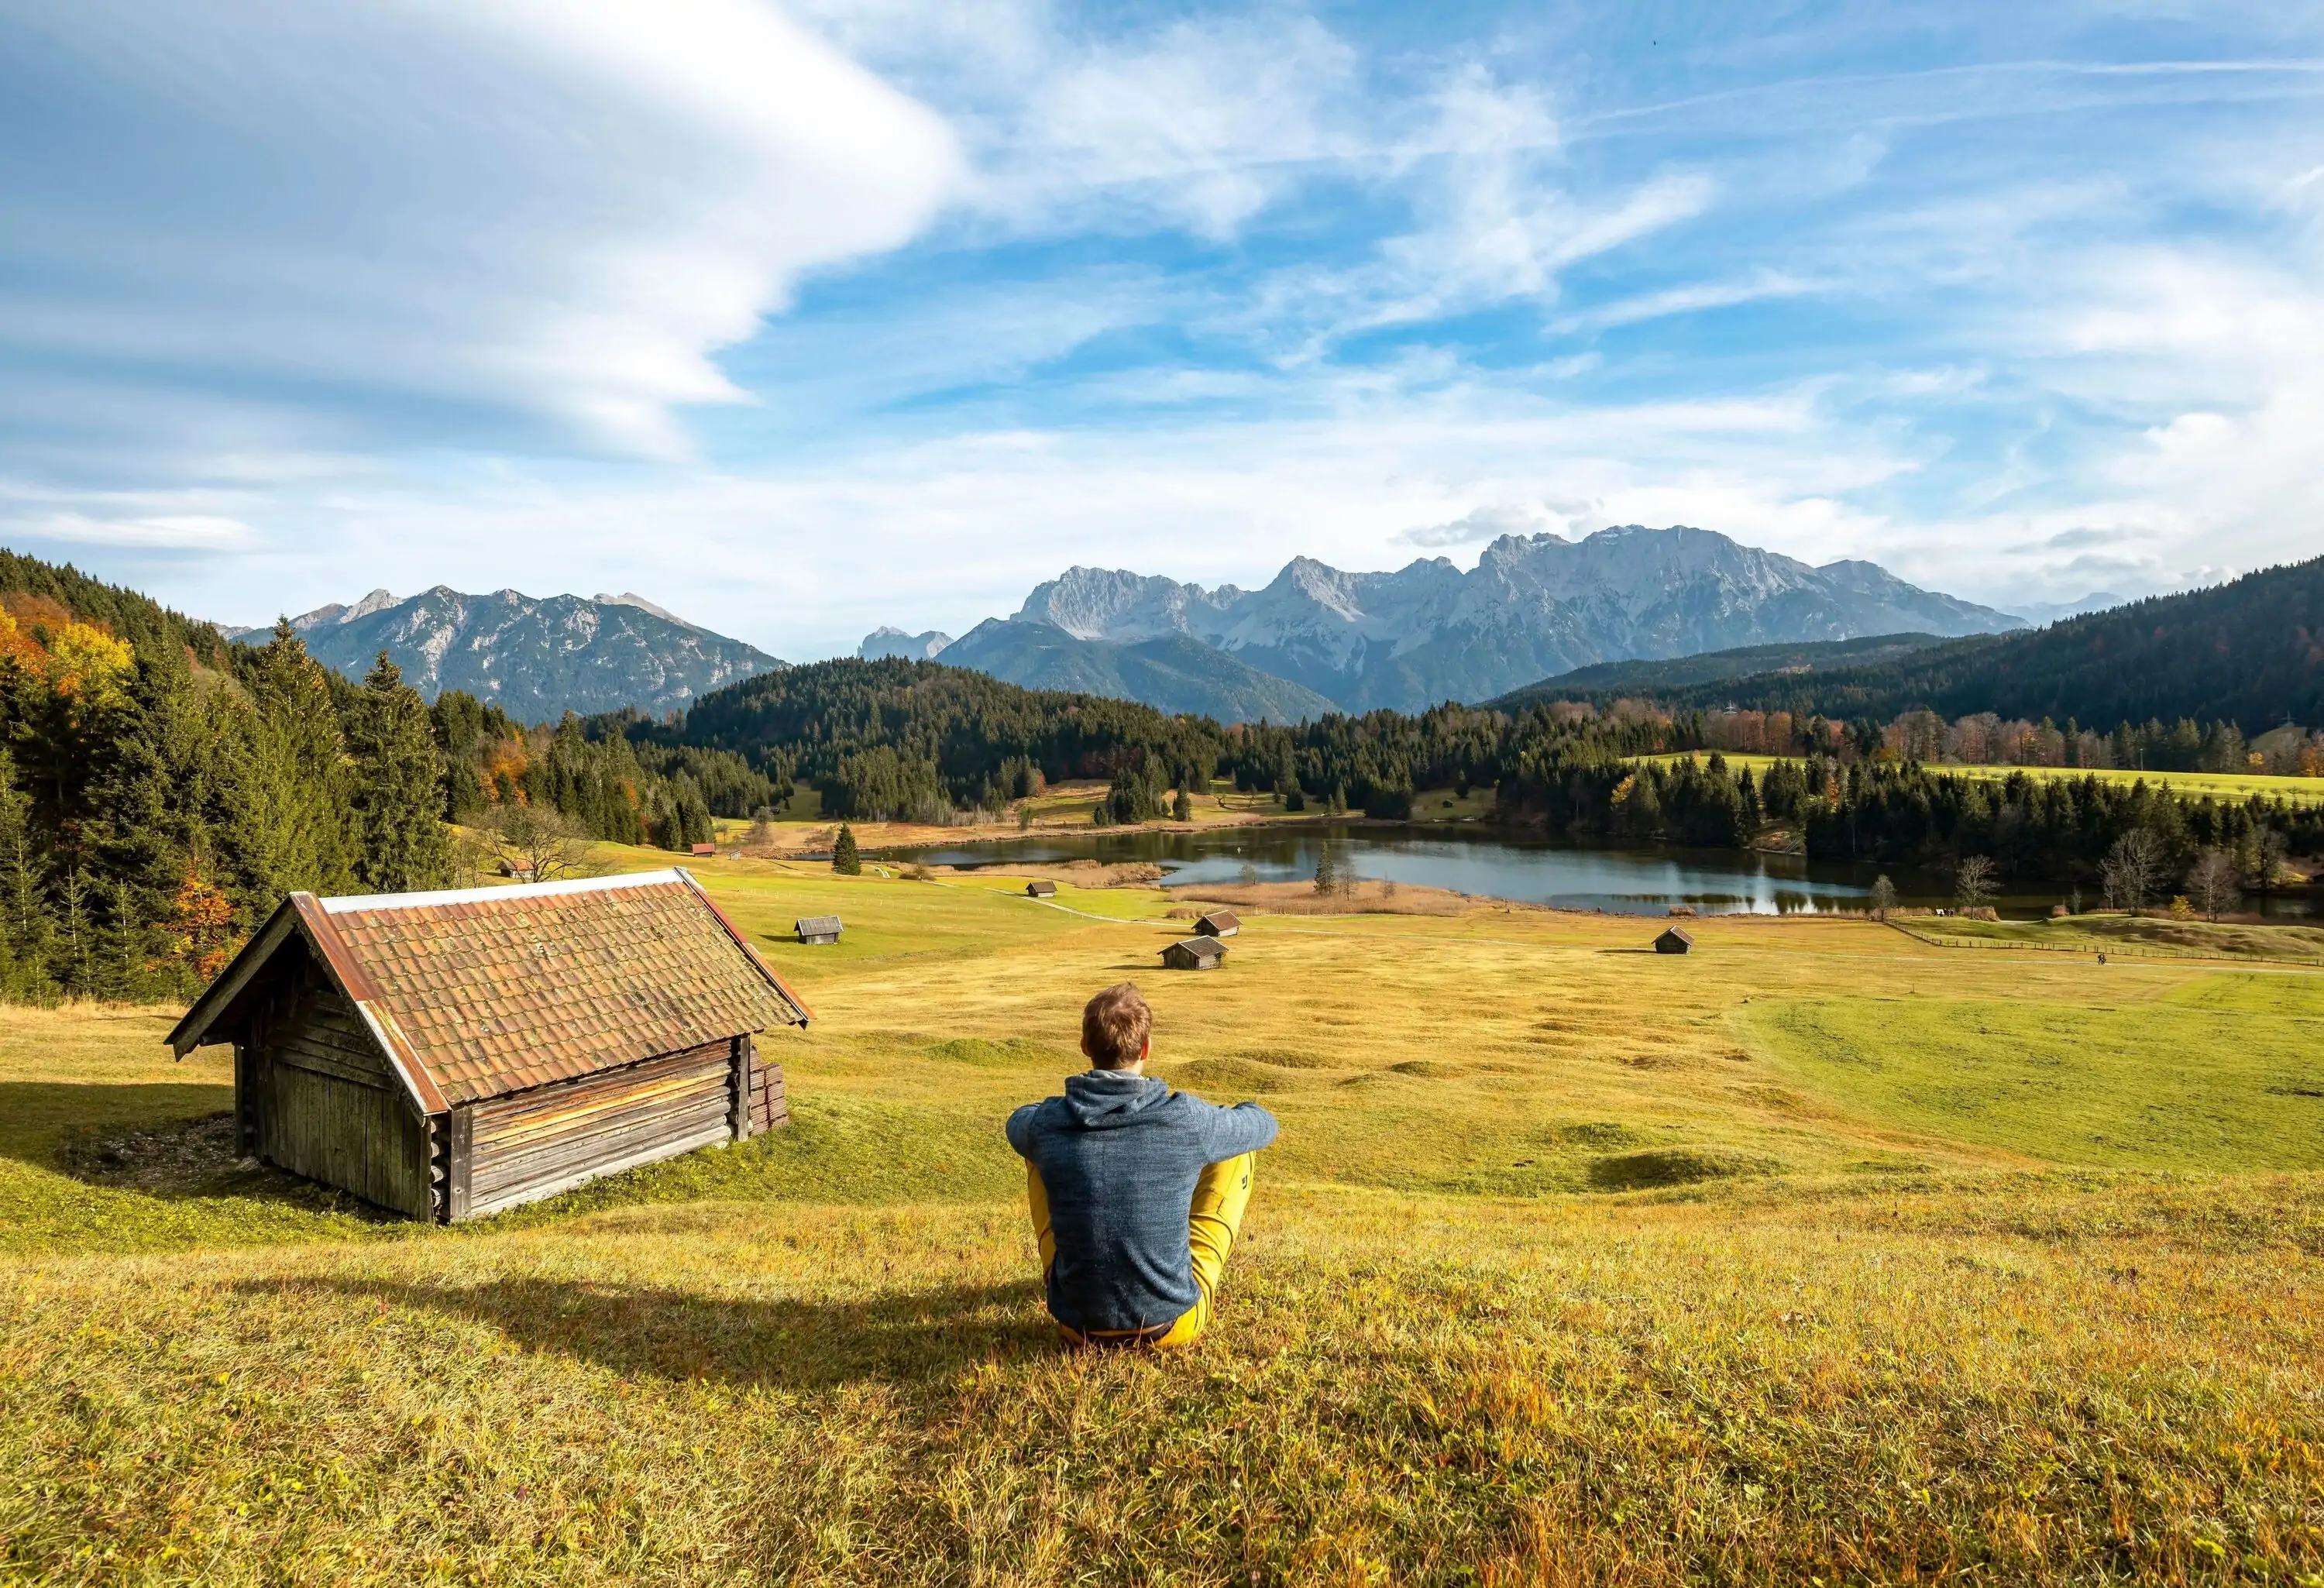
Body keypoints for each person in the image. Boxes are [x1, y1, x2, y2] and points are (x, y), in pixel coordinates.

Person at [1006, 981, 1278, 1348]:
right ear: (1146, 1047)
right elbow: (1264, 1126)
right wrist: (1234, 1113)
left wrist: (1050, 1116)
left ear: (1085, 1047)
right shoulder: (1186, 1119)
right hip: (1172, 1325)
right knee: (1238, 1148)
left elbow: (1016, 1122)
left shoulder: (1049, 1123)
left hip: (1076, 1328)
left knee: (1036, 1153)